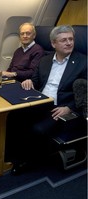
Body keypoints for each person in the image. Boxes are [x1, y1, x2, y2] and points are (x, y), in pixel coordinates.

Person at [5, 25, 87, 175]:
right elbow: (36, 81)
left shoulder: (83, 62)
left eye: (71, 39)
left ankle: (27, 161)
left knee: (38, 129)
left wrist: (70, 107)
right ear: (53, 44)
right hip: (40, 101)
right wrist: (29, 82)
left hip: (60, 106)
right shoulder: (45, 60)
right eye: (63, 40)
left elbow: (86, 92)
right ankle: (10, 154)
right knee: (13, 117)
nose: (69, 43)